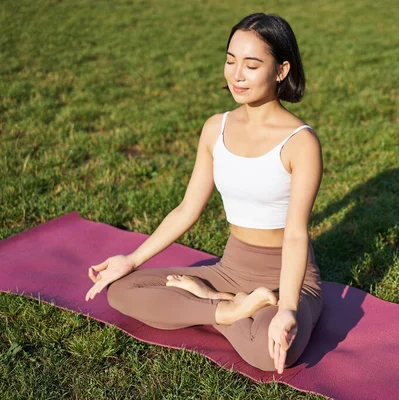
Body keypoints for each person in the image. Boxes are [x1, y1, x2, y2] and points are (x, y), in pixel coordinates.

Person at [84, 13, 322, 374]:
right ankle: (226, 306)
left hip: (287, 276)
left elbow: (295, 233)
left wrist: (287, 308)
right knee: (120, 290)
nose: (236, 75)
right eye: (230, 60)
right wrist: (131, 260)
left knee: (272, 354)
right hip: (230, 268)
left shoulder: (300, 142)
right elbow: (186, 209)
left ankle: (214, 304)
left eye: (252, 64)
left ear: (281, 70)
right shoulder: (216, 128)